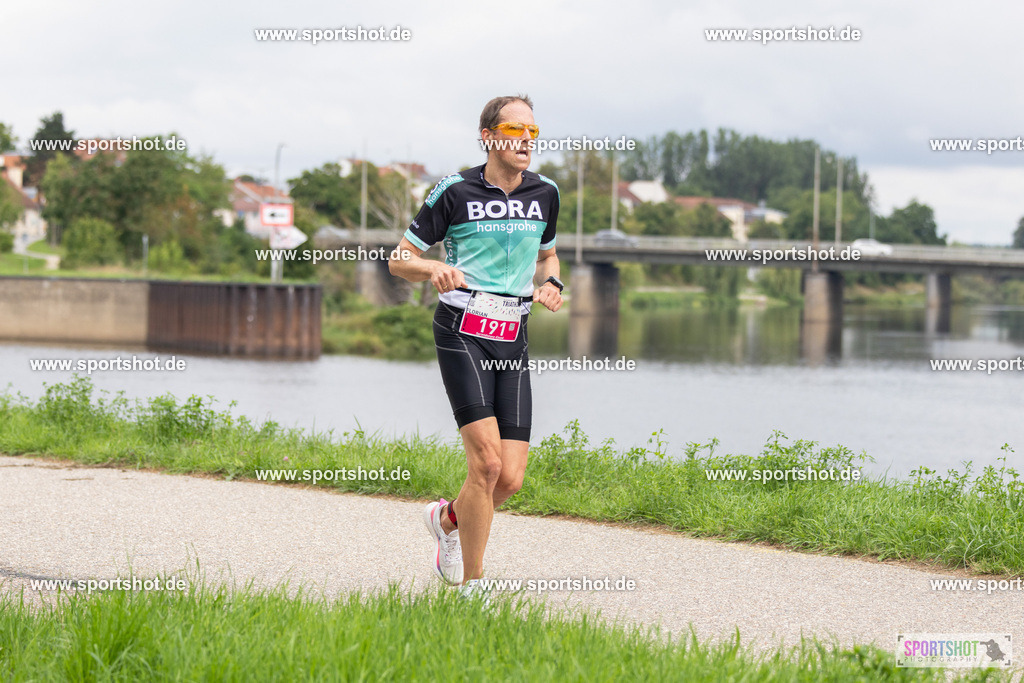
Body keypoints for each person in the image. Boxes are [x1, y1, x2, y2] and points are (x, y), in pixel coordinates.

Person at [388, 94, 563, 597]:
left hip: (514, 336)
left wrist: (553, 284)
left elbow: (548, 255)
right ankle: (475, 588)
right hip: (462, 329)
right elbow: (399, 259)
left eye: (533, 131)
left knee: (508, 479)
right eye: (515, 130)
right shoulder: (454, 190)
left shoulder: (545, 193)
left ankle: (446, 520)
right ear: (488, 137)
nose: (526, 140)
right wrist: (432, 267)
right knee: (484, 464)